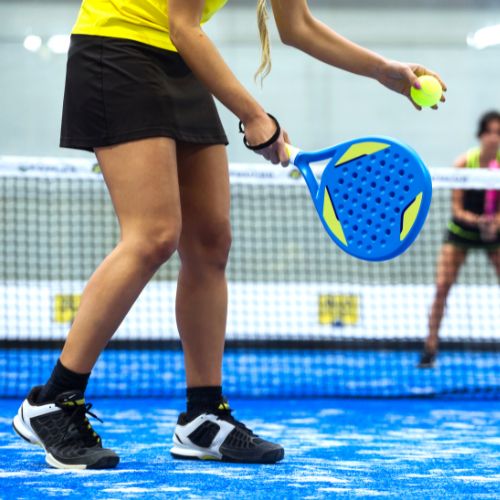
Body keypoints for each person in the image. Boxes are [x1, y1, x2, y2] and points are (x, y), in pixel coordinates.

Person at [12, 0, 445, 469]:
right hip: (117, 50)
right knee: (154, 234)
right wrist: (255, 115)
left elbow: (297, 26)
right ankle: (53, 401)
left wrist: (384, 70)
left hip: (180, 60)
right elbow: (182, 24)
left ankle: (203, 417)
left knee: (209, 243)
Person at [418, 111, 500, 369]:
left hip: (495, 234)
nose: (495, 138)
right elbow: (457, 209)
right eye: (491, 132)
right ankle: (430, 348)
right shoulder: (464, 164)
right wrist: (479, 222)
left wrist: (495, 223)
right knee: (442, 287)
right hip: (462, 232)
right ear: (481, 135)